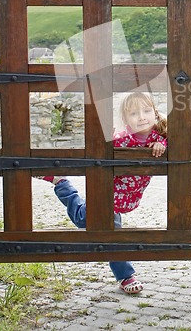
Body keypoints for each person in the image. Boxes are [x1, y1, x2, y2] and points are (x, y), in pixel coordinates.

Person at [38, 92, 167, 294]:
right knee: (92, 224)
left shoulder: (159, 137)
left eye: (147, 111)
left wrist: (162, 145)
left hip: (126, 199)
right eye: (134, 113)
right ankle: (61, 182)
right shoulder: (121, 138)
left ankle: (61, 182)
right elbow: (99, 150)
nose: (142, 117)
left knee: (94, 223)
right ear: (126, 119)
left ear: (155, 113)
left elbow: (174, 142)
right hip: (106, 194)